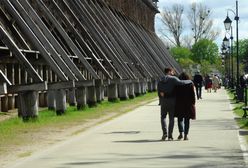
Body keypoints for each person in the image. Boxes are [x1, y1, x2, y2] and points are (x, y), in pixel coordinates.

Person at [157, 67, 192, 141]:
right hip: (172, 101)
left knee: (163, 117)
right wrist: (189, 81)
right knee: (171, 118)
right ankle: (170, 135)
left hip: (163, 101)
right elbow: (181, 83)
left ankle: (164, 133)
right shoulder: (173, 79)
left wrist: (161, 99)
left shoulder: (160, 80)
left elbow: (159, 93)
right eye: (172, 71)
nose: (173, 73)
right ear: (169, 71)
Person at [174, 72, 196, 141]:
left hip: (179, 104)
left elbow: (175, 94)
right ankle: (186, 135)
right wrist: (193, 103)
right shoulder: (190, 84)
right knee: (187, 120)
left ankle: (181, 133)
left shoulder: (178, 84)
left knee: (180, 119)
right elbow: (192, 94)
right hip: (188, 104)